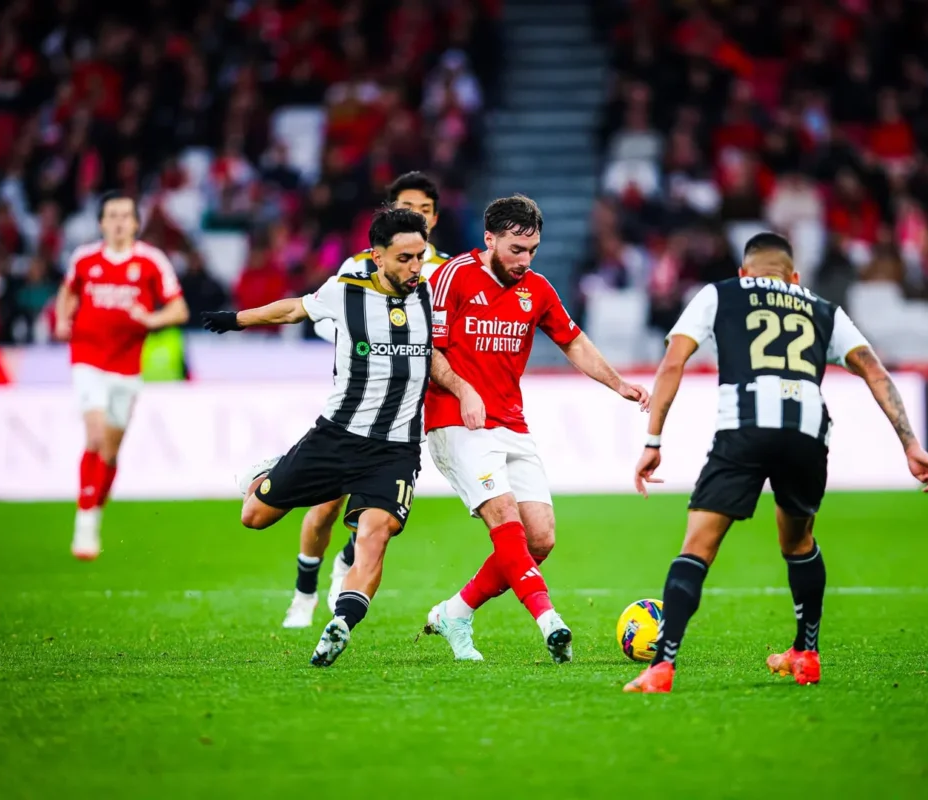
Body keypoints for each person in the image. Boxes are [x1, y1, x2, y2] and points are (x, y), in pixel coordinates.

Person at [624, 232, 928, 694]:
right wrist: (911, 444)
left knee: (697, 546)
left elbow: (674, 361)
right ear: (794, 277)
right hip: (808, 431)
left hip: (746, 424)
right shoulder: (823, 308)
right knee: (798, 543)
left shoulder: (720, 293)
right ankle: (807, 653)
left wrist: (653, 439)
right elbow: (874, 370)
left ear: (744, 272)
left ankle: (663, 666)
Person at [200, 208, 483, 668]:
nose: (416, 267)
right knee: (253, 517)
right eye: (406, 258)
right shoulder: (345, 292)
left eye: (421, 257)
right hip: (335, 438)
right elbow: (294, 308)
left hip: (394, 450)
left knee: (376, 534)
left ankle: (342, 623)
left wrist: (463, 389)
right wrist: (237, 319)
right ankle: (271, 469)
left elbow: (432, 355)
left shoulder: (429, 295)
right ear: (377, 256)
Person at [419, 195, 650, 663]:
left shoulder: (537, 289)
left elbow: (574, 341)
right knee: (505, 520)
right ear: (489, 239)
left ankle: (455, 613)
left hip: (510, 422)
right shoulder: (452, 277)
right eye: (515, 251)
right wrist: (464, 391)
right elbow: (429, 350)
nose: (525, 261)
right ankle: (551, 622)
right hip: (455, 420)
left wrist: (618, 383)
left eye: (533, 251)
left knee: (540, 538)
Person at [280, 171, 450, 629]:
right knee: (326, 505)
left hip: (410, 409)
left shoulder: (447, 272)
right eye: (410, 208)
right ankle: (304, 591)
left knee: (378, 508)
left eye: (426, 210)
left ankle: (346, 568)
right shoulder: (359, 268)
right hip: (357, 401)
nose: (420, 216)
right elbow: (321, 315)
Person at [54, 192, 190, 560]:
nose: (118, 222)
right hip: (86, 358)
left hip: (126, 366)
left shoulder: (150, 261)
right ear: (101, 223)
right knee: (95, 436)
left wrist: (152, 319)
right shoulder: (84, 259)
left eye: (125, 216)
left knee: (111, 452)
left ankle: (95, 509)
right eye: (111, 215)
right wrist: (64, 320)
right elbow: (67, 294)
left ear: (135, 223)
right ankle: (85, 523)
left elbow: (178, 309)